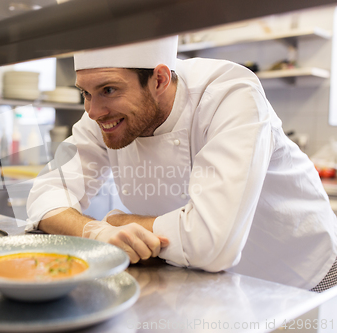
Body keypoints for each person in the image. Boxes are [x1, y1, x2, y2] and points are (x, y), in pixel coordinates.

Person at [25, 36, 337, 292]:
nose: (93, 111)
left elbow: (210, 244)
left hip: (301, 282)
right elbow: (46, 193)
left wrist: (122, 224)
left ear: (159, 79)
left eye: (109, 90)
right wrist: (93, 231)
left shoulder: (230, 96)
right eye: (85, 93)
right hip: (216, 286)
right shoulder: (104, 115)